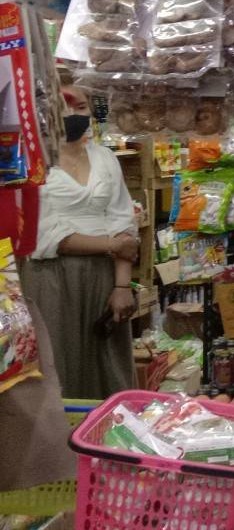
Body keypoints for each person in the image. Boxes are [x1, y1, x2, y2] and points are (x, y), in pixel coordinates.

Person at [20, 80, 138, 399]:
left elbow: (123, 221)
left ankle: (109, 430)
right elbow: (44, 233)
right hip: (51, 278)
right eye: (63, 107)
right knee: (59, 364)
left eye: (81, 106)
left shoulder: (105, 158)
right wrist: (110, 245)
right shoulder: (31, 163)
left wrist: (122, 286)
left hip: (103, 277)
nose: (73, 114)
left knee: (109, 368)